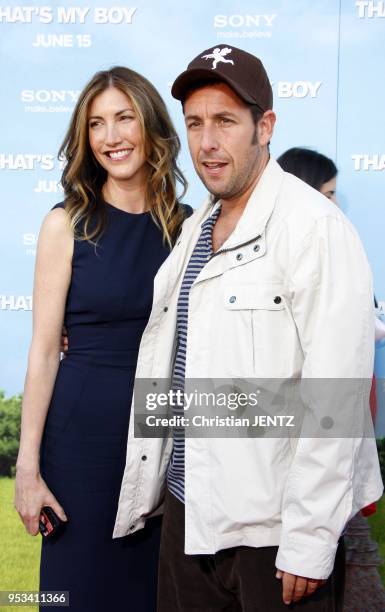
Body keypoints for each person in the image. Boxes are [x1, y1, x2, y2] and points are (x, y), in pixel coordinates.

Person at [113, 44, 383, 611]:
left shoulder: (316, 229)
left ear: (265, 126)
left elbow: (335, 395)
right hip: (188, 516)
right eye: (195, 123)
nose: (207, 143)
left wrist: (309, 543)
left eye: (226, 122)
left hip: (273, 535)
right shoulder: (194, 230)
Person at [14, 66, 189, 612]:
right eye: (96, 124)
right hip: (80, 448)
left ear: (151, 126)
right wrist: (27, 468)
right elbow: (44, 352)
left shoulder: (189, 228)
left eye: (124, 118)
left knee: (152, 596)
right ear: (84, 139)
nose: (111, 137)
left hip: (162, 444)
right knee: (78, 596)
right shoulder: (66, 224)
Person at [278, 146, 385, 611]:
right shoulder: (295, 254)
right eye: (328, 194)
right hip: (313, 454)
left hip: (340, 448)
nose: (335, 205)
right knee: (354, 563)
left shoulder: (337, 249)